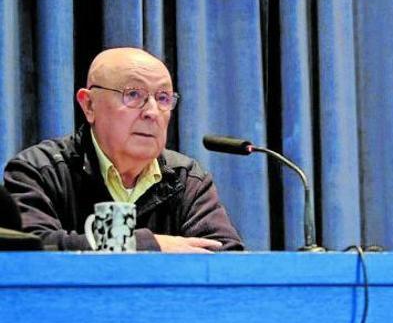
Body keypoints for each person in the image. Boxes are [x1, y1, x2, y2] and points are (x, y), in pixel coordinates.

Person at [3, 47, 244, 252]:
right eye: (134, 95)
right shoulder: (40, 170)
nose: (152, 112)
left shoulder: (186, 178)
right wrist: (149, 245)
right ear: (89, 105)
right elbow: (31, 248)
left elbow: (227, 256)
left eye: (163, 98)